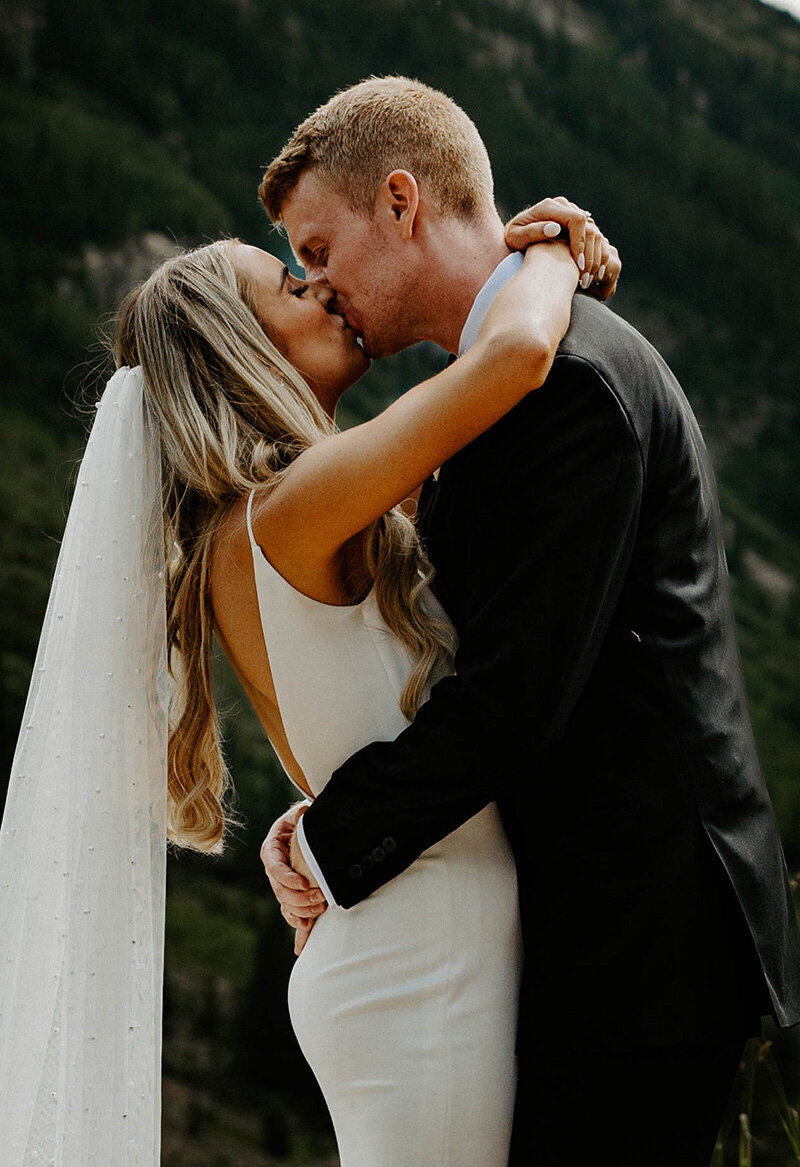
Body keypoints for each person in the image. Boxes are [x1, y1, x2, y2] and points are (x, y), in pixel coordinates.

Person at [0, 171, 616, 1158]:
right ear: (235, 353)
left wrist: (312, 830)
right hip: (422, 959)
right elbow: (514, 353)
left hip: (400, 941)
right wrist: (548, 250)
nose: (322, 289)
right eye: (289, 287)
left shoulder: (266, 523)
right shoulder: (294, 507)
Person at [259, 76, 800, 1166]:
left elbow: (514, 696)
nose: (318, 284)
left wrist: (323, 840)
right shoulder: (515, 380)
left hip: (640, 947)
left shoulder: (564, 387)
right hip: (605, 935)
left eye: (319, 249)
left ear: (401, 204)